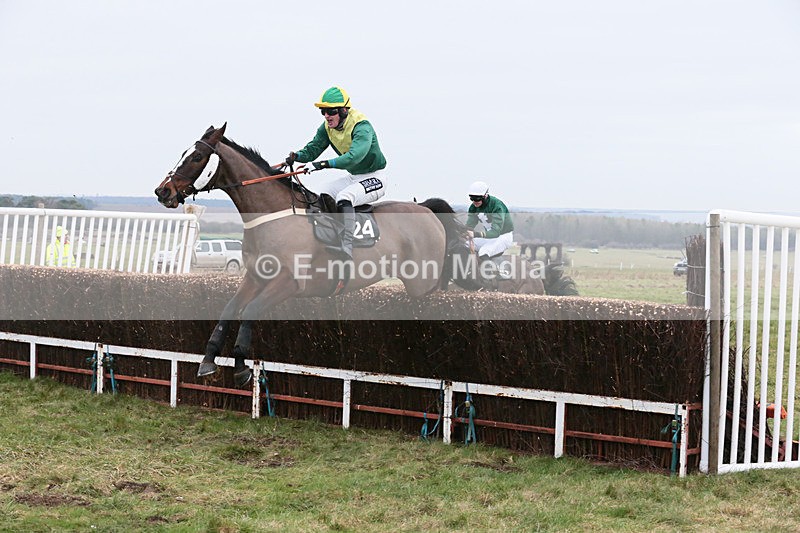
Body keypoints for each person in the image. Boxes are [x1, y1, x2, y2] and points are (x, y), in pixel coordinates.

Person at [286, 87, 388, 260]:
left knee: (344, 197)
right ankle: (327, 236)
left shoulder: (362, 127)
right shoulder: (327, 127)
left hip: (375, 177)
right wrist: (297, 156)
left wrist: (322, 165)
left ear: (343, 110)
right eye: (323, 111)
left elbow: (353, 157)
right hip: (353, 177)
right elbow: (314, 148)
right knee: (318, 193)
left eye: (331, 111)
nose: (326, 116)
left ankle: (347, 246)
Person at [465, 180, 514, 269]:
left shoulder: (497, 206)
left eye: (477, 198)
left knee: (483, 252)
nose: (474, 201)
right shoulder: (473, 208)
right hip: (489, 237)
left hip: (503, 237)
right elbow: (469, 226)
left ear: (485, 196)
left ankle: (495, 273)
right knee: (464, 244)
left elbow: (495, 232)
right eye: (472, 198)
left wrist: (475, 234)